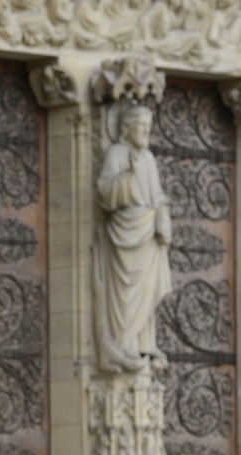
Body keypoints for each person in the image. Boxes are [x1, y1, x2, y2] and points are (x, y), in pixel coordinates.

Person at [94, 103, 173, 373]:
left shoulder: (149, 158)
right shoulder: (117, 153)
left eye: (148, 127)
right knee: (125, 291)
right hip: (126, 232)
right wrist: (126, 177)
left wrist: (162, 209)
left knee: (146, 289)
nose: (145, 132)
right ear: (126, 129)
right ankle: (123, 343)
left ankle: (144, 343)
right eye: (140, 126)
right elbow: (105, 190)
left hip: (148, 233)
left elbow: (156, 193)